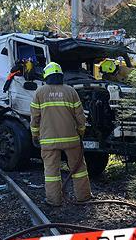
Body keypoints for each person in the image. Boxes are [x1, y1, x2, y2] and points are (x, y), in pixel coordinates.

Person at [30, 62, 93, 206]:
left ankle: (54, 200)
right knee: (78, 169)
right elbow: (80, 116)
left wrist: (34, 135)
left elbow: (35, 117)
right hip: (71, 138)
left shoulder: (40, 92)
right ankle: (83, 196)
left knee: (51, 172)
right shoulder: (71, 91)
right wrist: (81, 131)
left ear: (47, 76)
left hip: (48, 141)